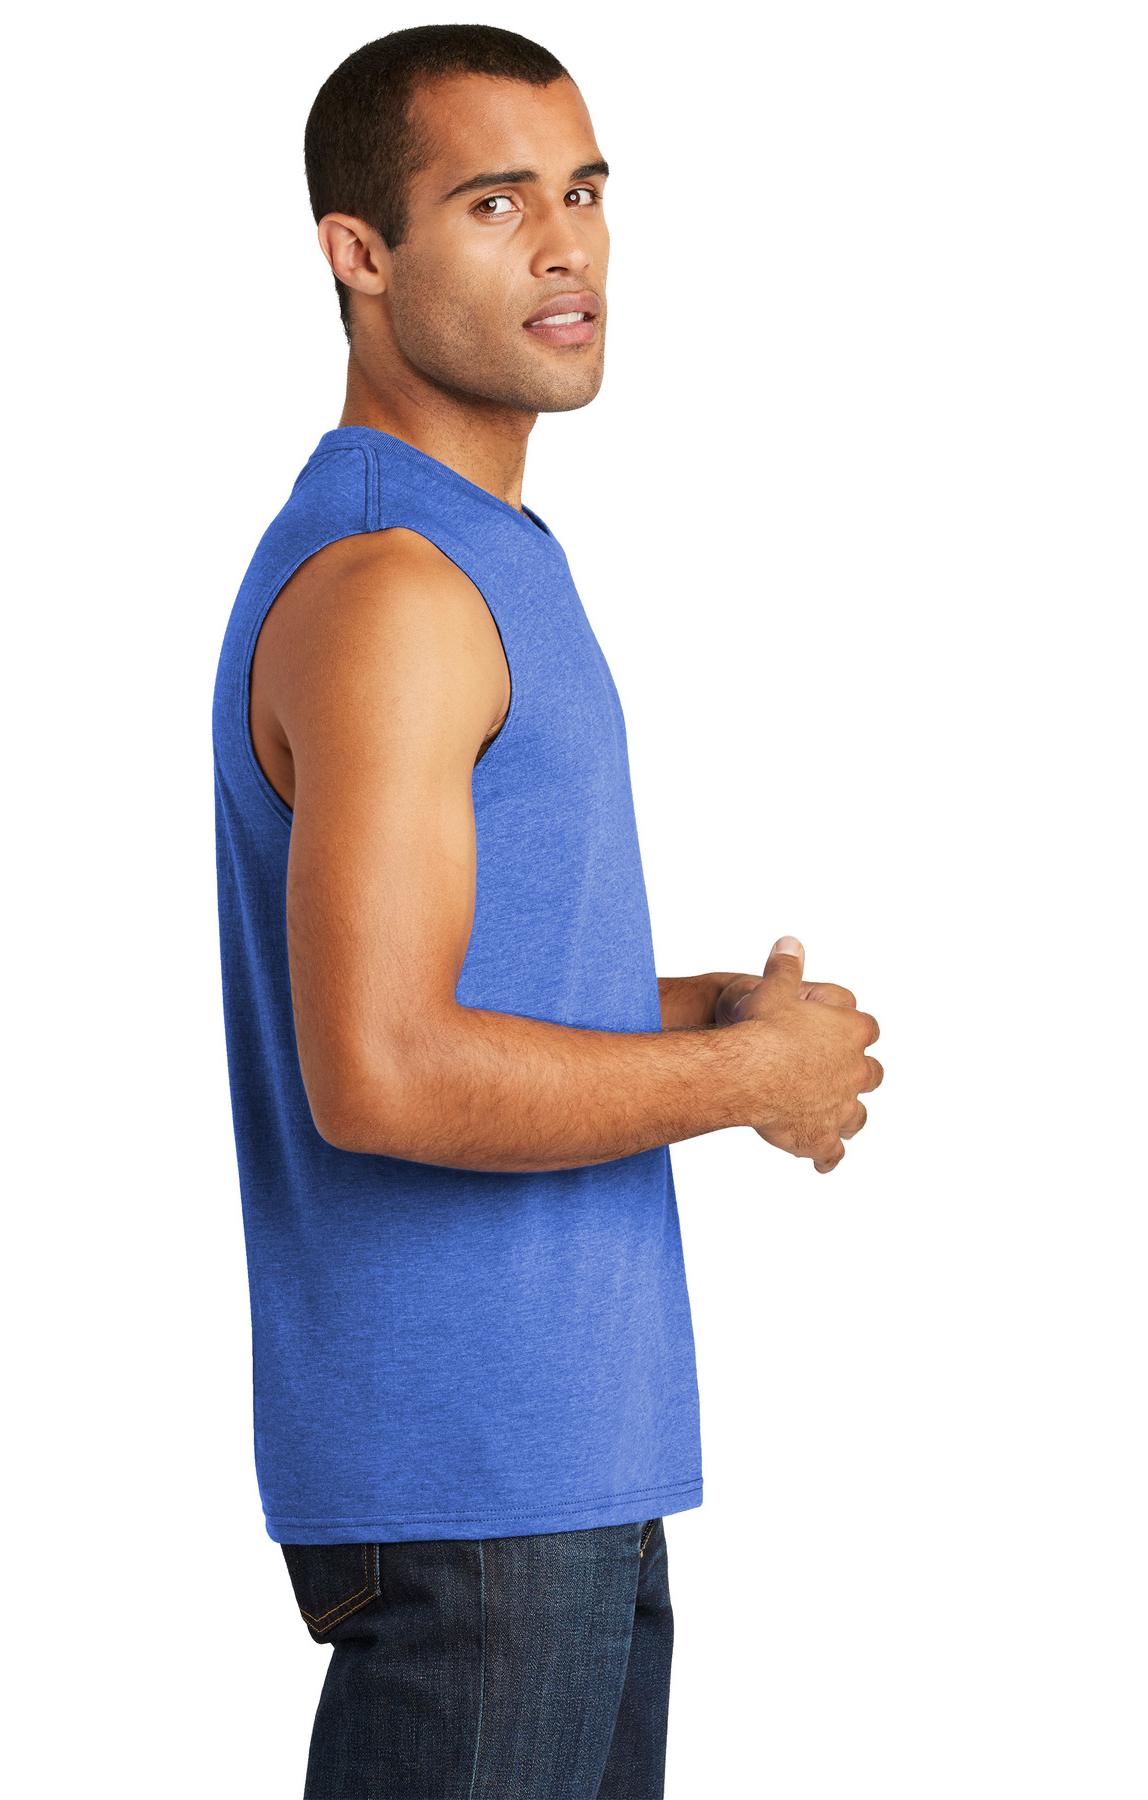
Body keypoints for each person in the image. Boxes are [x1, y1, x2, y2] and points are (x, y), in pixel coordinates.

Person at [213, 24, 882, 1799]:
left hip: (559, 1468)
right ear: (359, 252)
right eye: (496, 204)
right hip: (473, 1490)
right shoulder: (392, 587)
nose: (568, 246)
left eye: (584, 192)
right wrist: (742, 1086)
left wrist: (714, 1016)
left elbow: (474, 980)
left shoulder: (480, 556)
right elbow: (382, 1068)